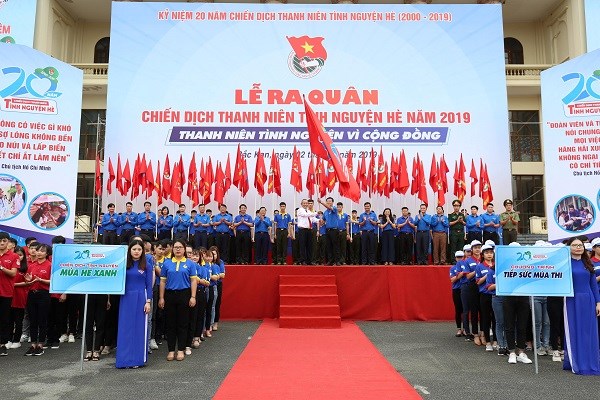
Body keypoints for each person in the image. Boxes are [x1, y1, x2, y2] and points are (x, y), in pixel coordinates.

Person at [563, 237, 600, 375]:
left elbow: (593, 284)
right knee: (574, 329)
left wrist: (598, 302)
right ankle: (576, 362)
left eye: (580, 245)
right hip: (571, 300)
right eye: (575, 245)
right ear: (569, 247)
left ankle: (589, 362)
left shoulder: (587, 262)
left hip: (588, 299)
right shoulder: (565, 263)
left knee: (589, 331)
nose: (578, 247)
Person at [116, 240, 153, 368]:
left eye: (139, 249)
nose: (136, 251)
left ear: (143, 251)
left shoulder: (147, 265)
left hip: (141, 298)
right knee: (125, 328)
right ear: (129, 250)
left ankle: (137, 360)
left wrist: (148, 301)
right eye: (134, 249)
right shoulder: (124, 264)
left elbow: (149, 285)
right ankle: (124, 360)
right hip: (125, 298)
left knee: (139, 329)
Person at [158, 239, 197, 361]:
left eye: (180, 247)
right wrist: (161, 297)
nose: (178, 249)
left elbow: (193, 281)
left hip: (184, 294)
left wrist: (193, 296)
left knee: (183, 323)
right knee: (170, 324)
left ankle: (180, 349)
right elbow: (163, 281)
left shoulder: (190, 264)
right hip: (170, 295)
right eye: (176, 247)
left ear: (184, 249)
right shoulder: (167, 263)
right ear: (172, 249)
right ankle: (170, 350)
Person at [23, 244, 52, 356]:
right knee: (32, 320)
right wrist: (28, 280)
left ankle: (40, 345)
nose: (39, 252)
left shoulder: (49, 265)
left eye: (42, 251)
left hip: (43, 294)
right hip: (32, 294)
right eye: (38, 250)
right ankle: (33, 344)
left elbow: (52, 281)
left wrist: (41, 280)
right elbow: (28, 281)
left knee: (42, 320)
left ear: (47, 253)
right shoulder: (31, 265)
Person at [0, 231, 19, 356]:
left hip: (5, 292)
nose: (1, 243)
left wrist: (1, 267)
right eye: (0, 241)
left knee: (4, 319)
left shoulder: (13, 256)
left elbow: (13, 273)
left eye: (4, 241)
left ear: (8, 242)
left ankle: (2, 345)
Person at [7, 246, 28, 350]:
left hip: (20, 296)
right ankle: (9, 339)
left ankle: (17, 340)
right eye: (17, 254)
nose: (18, 257)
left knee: (18, 320)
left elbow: (27, 282)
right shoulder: (10, 265)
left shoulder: (25, 268)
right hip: (9, 295)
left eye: (20, 255)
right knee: (9, 320)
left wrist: (14, 284)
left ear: (24, 256)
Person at [476, 244, 496, 352]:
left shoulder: (496, 264)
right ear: (483, 254)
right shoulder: (479, 266)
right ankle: (488, 342)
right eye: (487, 253)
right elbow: (478, 282)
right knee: (486, 318)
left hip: (496, 295)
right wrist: (488, 274)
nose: (489, 255)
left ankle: (496, 341)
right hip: (484, 295)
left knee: (495, 319)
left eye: (491, 252)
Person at [449, 250, 465, 337]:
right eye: (458, 257)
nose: (460, 259)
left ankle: (466, 329)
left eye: (461, 257)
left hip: (465, 290)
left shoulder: (466, 266)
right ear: (455, 258)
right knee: (458, 310)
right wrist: (460, 275)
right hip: (457, 290)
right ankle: (459, 329)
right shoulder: (453, 268)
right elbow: (452, 280)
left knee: (465, 310)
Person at [296, 199, 317, 265]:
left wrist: (320, 220)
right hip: (302, 230)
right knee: (302, 245)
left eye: (306, 203)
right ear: (301, 204)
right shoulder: (300, 210)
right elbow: (305, 215)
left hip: (309, 230)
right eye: (304, 203)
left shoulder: (309, 211)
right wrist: (316, 213)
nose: (305, 204)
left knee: (309, 246)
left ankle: (309, 260)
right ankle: (303, 260)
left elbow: (313, 219)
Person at [210, 246, 225, 331]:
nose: (213, 256)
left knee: (217, 304)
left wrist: (215, 276)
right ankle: (209, 324)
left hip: (217, 285)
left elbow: (223, 274)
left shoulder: (220, 262)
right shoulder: (206, 263)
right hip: (208, 285)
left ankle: (215, 322)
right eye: (211, 254)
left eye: (214, 254)